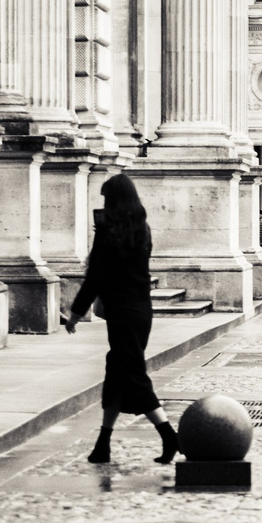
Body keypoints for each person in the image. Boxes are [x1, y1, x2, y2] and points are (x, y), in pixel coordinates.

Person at [60, 173, 177, 465]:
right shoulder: (142, 228)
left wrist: (76, 313)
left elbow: (95, 277)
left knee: (133, 376)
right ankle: (103, 444)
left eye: (106, 199)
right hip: (141, 311)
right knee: (116, 375)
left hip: (122, 314)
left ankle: (169, 435)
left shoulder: (108, 232)